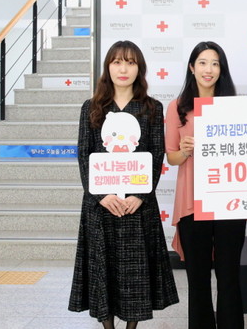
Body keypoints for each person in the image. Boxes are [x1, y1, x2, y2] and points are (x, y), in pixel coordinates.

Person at [69, 40, 178, 328]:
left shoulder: (152, 108)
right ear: (108, 67)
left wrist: (140, 195)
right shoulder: (91, 108)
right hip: (101, 205)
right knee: (102, 272)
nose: (123, 69)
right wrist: (101, 196)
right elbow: (84, 155)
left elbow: (157, 154)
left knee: (135, 275)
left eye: (130, 63)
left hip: (137, 205)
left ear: (139, 69)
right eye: (117, 62)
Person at [166, 41, 247, 329]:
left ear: (221, 69)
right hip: (192, 202)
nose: (208, 69)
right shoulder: (177, 107)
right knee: (197, 280)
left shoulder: (235, 107)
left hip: (228, 202)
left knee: (229, 277)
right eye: (202, 62)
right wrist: (185, 151)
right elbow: (172, 157)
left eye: (215, 63)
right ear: (192, 67)